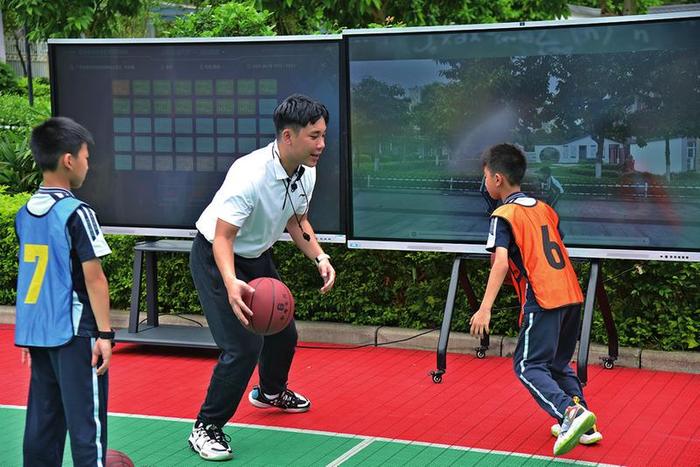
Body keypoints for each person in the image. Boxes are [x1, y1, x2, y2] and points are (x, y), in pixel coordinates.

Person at [188, 94, 336, 461]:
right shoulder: (249, 175)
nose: (322, 144)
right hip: (216, 258)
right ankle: (206, 426)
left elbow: (296, 220)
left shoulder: (307, 172)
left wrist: (320, 256)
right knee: (242, 347)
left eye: (323, 135)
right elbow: (222, 237)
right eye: (314, 136)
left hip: (255, 257)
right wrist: (230, 282)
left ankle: (270, 392)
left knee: (284, 333)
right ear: (288, 136)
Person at [470, 143, 600, 457]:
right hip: (571, 293)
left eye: (486, 176)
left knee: (528, 365)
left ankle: (570, 413)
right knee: (558, 364)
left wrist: (484, 308)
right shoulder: (544, 208)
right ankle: (588, 426)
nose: (484, 183)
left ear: (497, 179)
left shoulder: (503, 215)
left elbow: (501, 262)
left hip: (544, 297)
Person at [15, 117, 113, 466]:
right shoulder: (77, 212)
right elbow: (95, 279)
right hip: (75, 334)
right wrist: (104, 334)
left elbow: (31, 278)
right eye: (86, 157)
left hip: (39, 334)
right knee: (88, 430)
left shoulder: (25, 214)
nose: (88, 164)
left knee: (43, 429)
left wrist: (29, 332)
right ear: (69, 160)